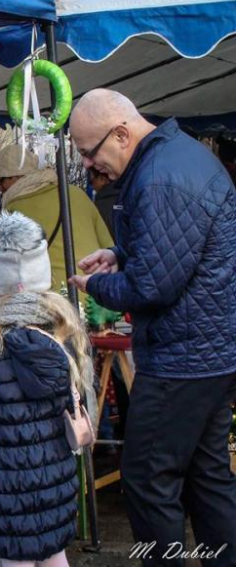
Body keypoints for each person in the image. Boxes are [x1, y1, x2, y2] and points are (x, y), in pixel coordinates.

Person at [69, 89, 236, 566]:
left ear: (121, 133)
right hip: (210, 353)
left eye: (89, 151)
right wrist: (118, 254)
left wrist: (95, 287)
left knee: (145, 480)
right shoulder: (179, 157)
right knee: (207, 479)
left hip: (183, 358)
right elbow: (177, 247)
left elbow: (152, 287)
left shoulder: (159, 177)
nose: (87, 165)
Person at [0, 211, 90, 567]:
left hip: (4, 488)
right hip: (53, 482)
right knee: (53, 553)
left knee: (15, 559)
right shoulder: (64, 337)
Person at [0, 143, 113, 293]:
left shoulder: (14, 209)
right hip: (95, 293)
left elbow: (8, 269)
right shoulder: (76, 193)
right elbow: (109, 246)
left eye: (0, 181)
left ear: (16, 176)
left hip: (51, 299)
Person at [88, 168, 119, 239]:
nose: (92, 184)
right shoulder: (126, 197)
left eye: (93, 180)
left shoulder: (99, 206)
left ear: (103, 179)